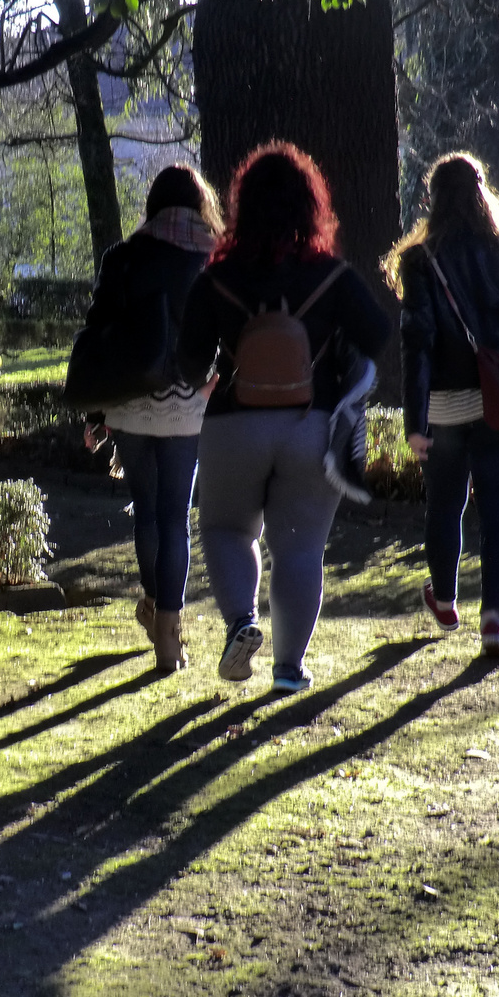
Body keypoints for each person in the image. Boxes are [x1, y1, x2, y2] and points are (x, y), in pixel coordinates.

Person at [178, 143, 390, 692]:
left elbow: (188, 362)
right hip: (311, 425)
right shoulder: (332, 275)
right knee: (299, 549)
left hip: (233, 425)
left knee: (226, 529)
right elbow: (378, 335)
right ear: (309, 204)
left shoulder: (216, 277)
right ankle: (289, 669)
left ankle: (242, 623)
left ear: (240, 205)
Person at [383, 152, 499, 659]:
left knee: (445, 507)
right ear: (484, 195)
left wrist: (414, 422)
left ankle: (443, 599)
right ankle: (494, 620)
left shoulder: (420, 260)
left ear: (431, 200)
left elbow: (416, 343)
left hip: (444, 406)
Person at [84, 165, 223, 671]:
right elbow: (234, 328)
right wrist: (215, 382)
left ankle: (155, 612)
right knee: (174, 519)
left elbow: (99, 331)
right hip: (186, 404)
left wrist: (98, 412)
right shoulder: (210, 257)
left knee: (147, 513)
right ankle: (169, 631)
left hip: (128, 403)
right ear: (199, 204)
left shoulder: (122, 256)